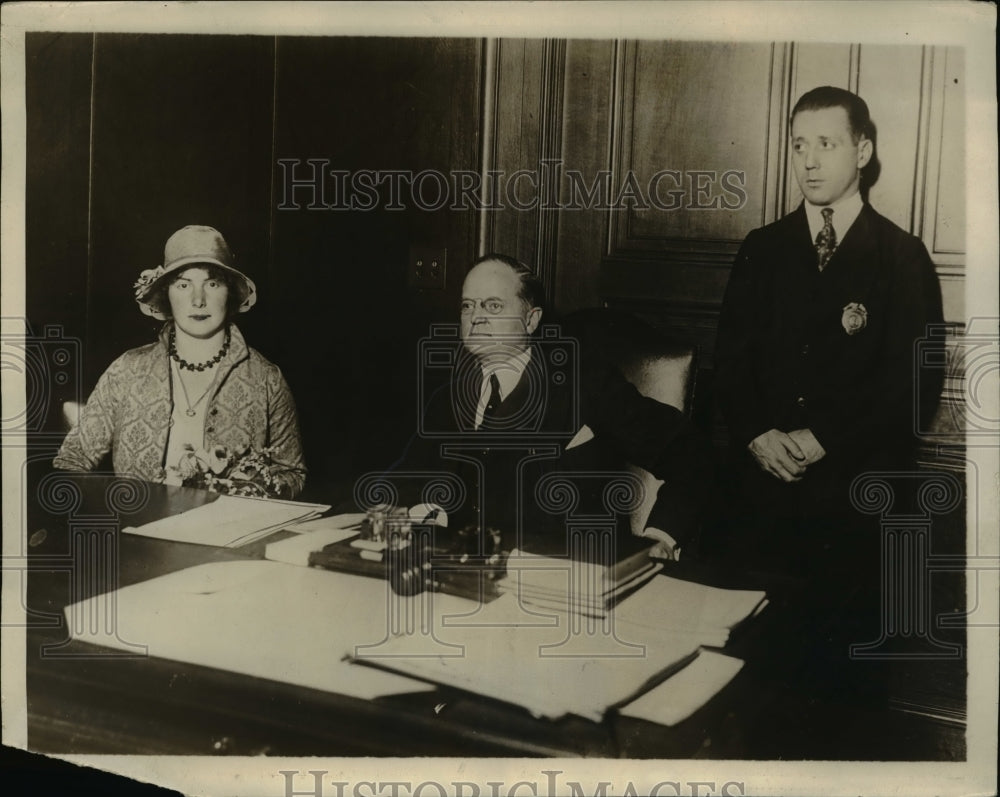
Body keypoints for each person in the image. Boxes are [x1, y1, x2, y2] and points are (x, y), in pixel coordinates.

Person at [712, 86, 944, 700]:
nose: (809, 160)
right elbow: (729, 367)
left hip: (853, 509)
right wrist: (758, 434)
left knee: (839, 687)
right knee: (750, 680)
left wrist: (823, 440)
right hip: (761, 502)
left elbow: (914, 386)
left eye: (826, 143)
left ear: (862, 150)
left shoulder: (902, 257)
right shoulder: (761, 250)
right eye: (798, 145)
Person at [393, 253, 712, 560]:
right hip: (465, 575)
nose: (476, 317)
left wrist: (661, 537)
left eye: (493, 305)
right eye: (467, 306)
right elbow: (406, 481)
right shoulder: (447, 398)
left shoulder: (584, 386)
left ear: (531, 320)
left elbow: (692, 453)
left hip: (568, 576)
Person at [54, 225, 306, 498]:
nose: (198, 300)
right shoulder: (127, 370)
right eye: (183, 285)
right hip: (135, 533)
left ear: (230, 293)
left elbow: (292, 473)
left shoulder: (266, 378)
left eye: (212, 283)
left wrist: (255, 492)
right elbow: (71, 461)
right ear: (166, 294)